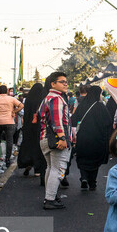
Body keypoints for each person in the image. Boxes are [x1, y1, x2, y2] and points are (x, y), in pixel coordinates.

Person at [40, 72, 73, 209]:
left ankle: (50, 196)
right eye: (62, 82)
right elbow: (57, 121)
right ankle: (50, 199)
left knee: (51, 168)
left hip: (45, 138)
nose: (65, 84)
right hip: (55, 139)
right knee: (58, 169)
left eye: (66, 81)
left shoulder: (47, 98)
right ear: (53, 84)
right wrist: (62, 137)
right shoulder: (57, 99)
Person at [72, 85, 113, 191]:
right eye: (100, 93)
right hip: (97, 139)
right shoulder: (101, 107)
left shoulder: (82, 105)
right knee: (95, 161)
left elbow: (74, 119)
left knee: (83, 158)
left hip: (83, 138)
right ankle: (92, 183)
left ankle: (84, 177)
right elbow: (108, 123)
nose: (101, 96)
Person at [18, 82, 47, 185]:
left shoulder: (28, 100)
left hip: (28, 127)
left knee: (28, 145)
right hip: (38, 127)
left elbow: (25, 114)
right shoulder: (41, 99)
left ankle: (27, 164)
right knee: (38, 148)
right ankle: (37, 170)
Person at [0, 85, 23, 165]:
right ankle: (7, 158)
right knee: (9, 140)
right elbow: (21, 105)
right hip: (10, 121)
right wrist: (15, 111)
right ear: (7, 91)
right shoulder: (12, 99)